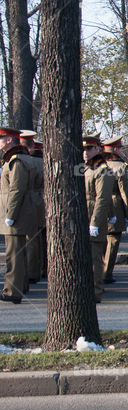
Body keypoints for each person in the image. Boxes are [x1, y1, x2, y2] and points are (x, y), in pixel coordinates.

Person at [0, 127, 40, 304]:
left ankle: (12, 290)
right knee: (20, 252)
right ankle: (21, 285)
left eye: (1, 139)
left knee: (14, 253)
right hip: (24, 211)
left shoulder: (16, 161)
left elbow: (17, 189)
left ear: (9, 140)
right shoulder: (22, 159)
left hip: (17, 212)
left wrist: (11, 213)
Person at [82, 135, 117, 303]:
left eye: (89, 148)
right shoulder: (88, 168)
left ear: (98, 149)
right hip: (85, 215)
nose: (85, 152)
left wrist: (95, 222)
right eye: (83, 149)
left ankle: (95, 291)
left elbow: (103, 198)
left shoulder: (103, 169)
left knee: (95, 258)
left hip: (93, 216)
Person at [102, 136, 128, 284]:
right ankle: (106, 273)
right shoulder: (120, 167)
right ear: (115, 150)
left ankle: (97, 270)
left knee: (99, 241)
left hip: (98, 205)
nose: (121, 150)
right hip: (115, 205)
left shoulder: (96, 165)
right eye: (120, 148)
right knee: (113, 240)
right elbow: (125, 193)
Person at [18, 130, 44, 285]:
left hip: (30, 200)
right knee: (38, 238)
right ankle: (39, 269)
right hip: (41, 200)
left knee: (30, 238)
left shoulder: (25, 161)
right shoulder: (42, 161)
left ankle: (32, 271)